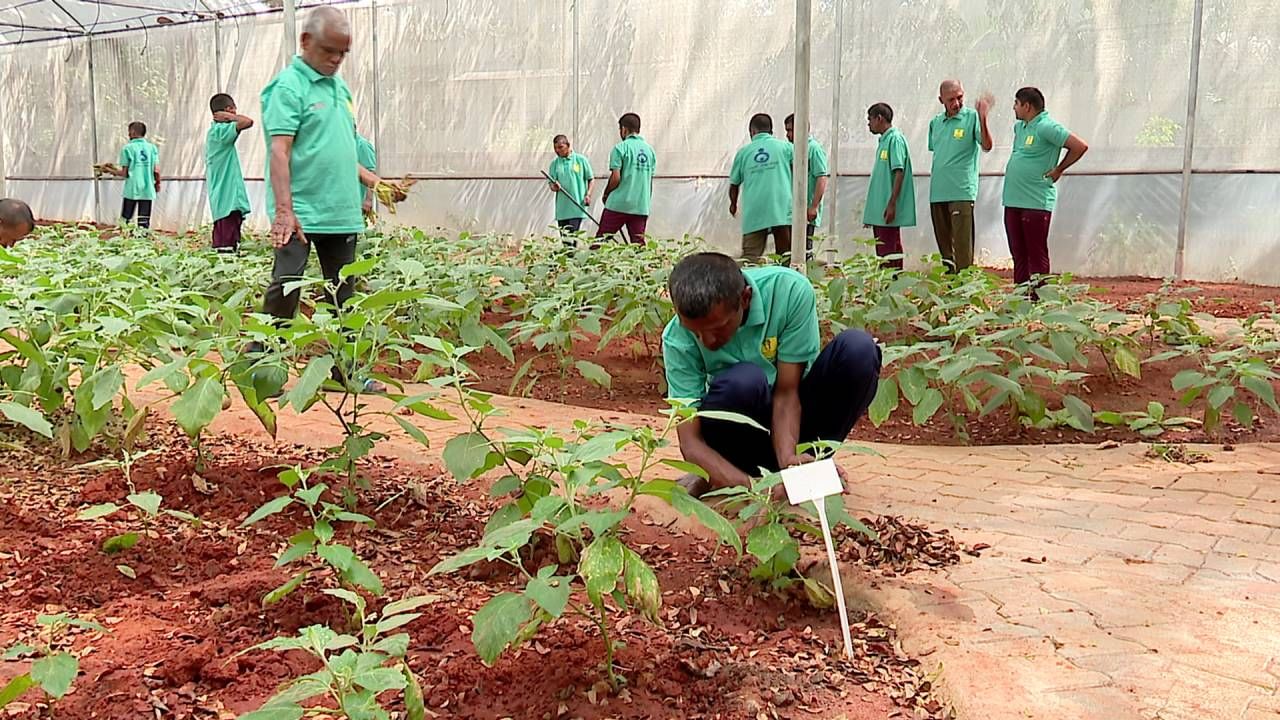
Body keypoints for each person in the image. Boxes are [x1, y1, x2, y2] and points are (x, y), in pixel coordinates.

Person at [661, 252, 882, 497]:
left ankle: (804, 465)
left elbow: (787, 392)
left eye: (717, 328)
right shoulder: (676, 339)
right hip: (738, 435)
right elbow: (690, 441)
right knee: (744, 381)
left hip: (793, 421)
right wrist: (756, 490)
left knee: (858, 350)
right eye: (695, 332)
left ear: (745, 299)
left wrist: (789, 460)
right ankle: (734, 472)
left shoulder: (787, 292)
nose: (707, 340)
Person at [257, 7, 393, 392]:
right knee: (286, 287)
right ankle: (263, 367)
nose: (336, 59)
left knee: (344, 296)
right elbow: (279, 151)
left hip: (340, 210)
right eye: (329, 50)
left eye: (342, 53)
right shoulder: (287, 88)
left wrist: (373, 181)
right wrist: (284, 210)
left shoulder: (340, 88)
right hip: (300, 211)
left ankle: (345, 373)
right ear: (306, 42)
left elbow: (342, 147)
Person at [1003, 87, 1089, 291]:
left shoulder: (1047, 127)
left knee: (1036, 252)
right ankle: (1021, 296)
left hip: (1035, 200)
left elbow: (1079, 146)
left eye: (1016, 103)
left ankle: (1040, 298)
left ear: (1027, 106)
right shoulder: (1021, 127)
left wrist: (1059, 169)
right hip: (1013, 199)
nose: (1013, 107)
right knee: (1018, 252)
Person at [927, 80, 992, 272]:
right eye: (951, 100)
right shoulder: (935, 123)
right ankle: (950, 289)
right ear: (941, 100)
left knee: (962, 247)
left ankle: (964, 292)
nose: (956, 103)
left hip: (961, 192)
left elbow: (987, 146)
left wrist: (983, 118)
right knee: (945, 248)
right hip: (938, 192)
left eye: (960, 97)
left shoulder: (972, 118)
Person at [729, 114, 794, 261]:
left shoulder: (744, 153)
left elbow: (734, 184)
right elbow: (803, 166)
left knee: (750, 257)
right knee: (785, 255)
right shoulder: (786, 148)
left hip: (755, 211)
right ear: (771, 131)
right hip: (781, 209)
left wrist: (733, 204)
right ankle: (783, 279)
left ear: (752, 131)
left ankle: (749, 281)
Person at [863, 103, 915, 270]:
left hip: (887, 209)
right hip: (881, 209)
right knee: (887, 248)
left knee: (888, 250)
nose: (868, 124)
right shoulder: (884, 141)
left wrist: (892, 203)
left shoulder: (895, 139)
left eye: (869, 119)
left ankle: (890, 283)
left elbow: (899, 171)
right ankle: (891, 282)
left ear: (879, 118)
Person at [205, 94, 253, 253]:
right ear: (229, 109)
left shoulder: (215, 132)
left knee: (228, 243)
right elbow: (247, 122)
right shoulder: (220, 132)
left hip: (224, 199)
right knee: (226, 247)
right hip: (228, 198)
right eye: (234, 109)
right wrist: (229, 117)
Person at [598, 113, 655, 244]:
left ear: (624, 129)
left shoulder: (620, 148)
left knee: (600, 242)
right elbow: (649, 182)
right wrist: (645, 201)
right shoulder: (650, 151)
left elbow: (616, 178)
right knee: (638, 244)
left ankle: (594, 264)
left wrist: (606, 193)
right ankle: (643, 265)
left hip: (618, 204)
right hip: (640, 205)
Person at [784, 114, 830, 258]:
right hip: (792, 211)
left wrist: (814, 206)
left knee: (804, 250)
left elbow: (821, 178)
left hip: (806, 210)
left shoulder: (813, 149)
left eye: (791, 130)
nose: (788, 135)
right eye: (786, 131)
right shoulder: (792, 150)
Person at [103, 121, 160, 229]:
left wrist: (109, 170)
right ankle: (142, 242)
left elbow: (124, 173)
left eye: (129, 132)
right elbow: (156, 170)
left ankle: (124, 241)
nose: (128, 134)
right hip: (147, 189)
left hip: (132, 189)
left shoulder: (127, 148)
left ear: (133, 132)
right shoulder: (152, 148)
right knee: (144, 221)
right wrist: (157, 183)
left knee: (126, 219)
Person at [547, 134, 594, 234]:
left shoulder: (581, 160)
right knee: (565, 241)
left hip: (577, 206)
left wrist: (588, 195)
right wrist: (554, 187)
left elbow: (591, 179)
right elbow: (551, 184)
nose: (557, 150)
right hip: (562, 209)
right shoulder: (554, 164)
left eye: (560, 147)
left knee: (573, 238)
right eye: (555, 148)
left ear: (568, 145)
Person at [355, 130, 376, 218]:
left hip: (357, 201)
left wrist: (368, 200)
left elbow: (371, 173)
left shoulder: (362, 145)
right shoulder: (342, 145)